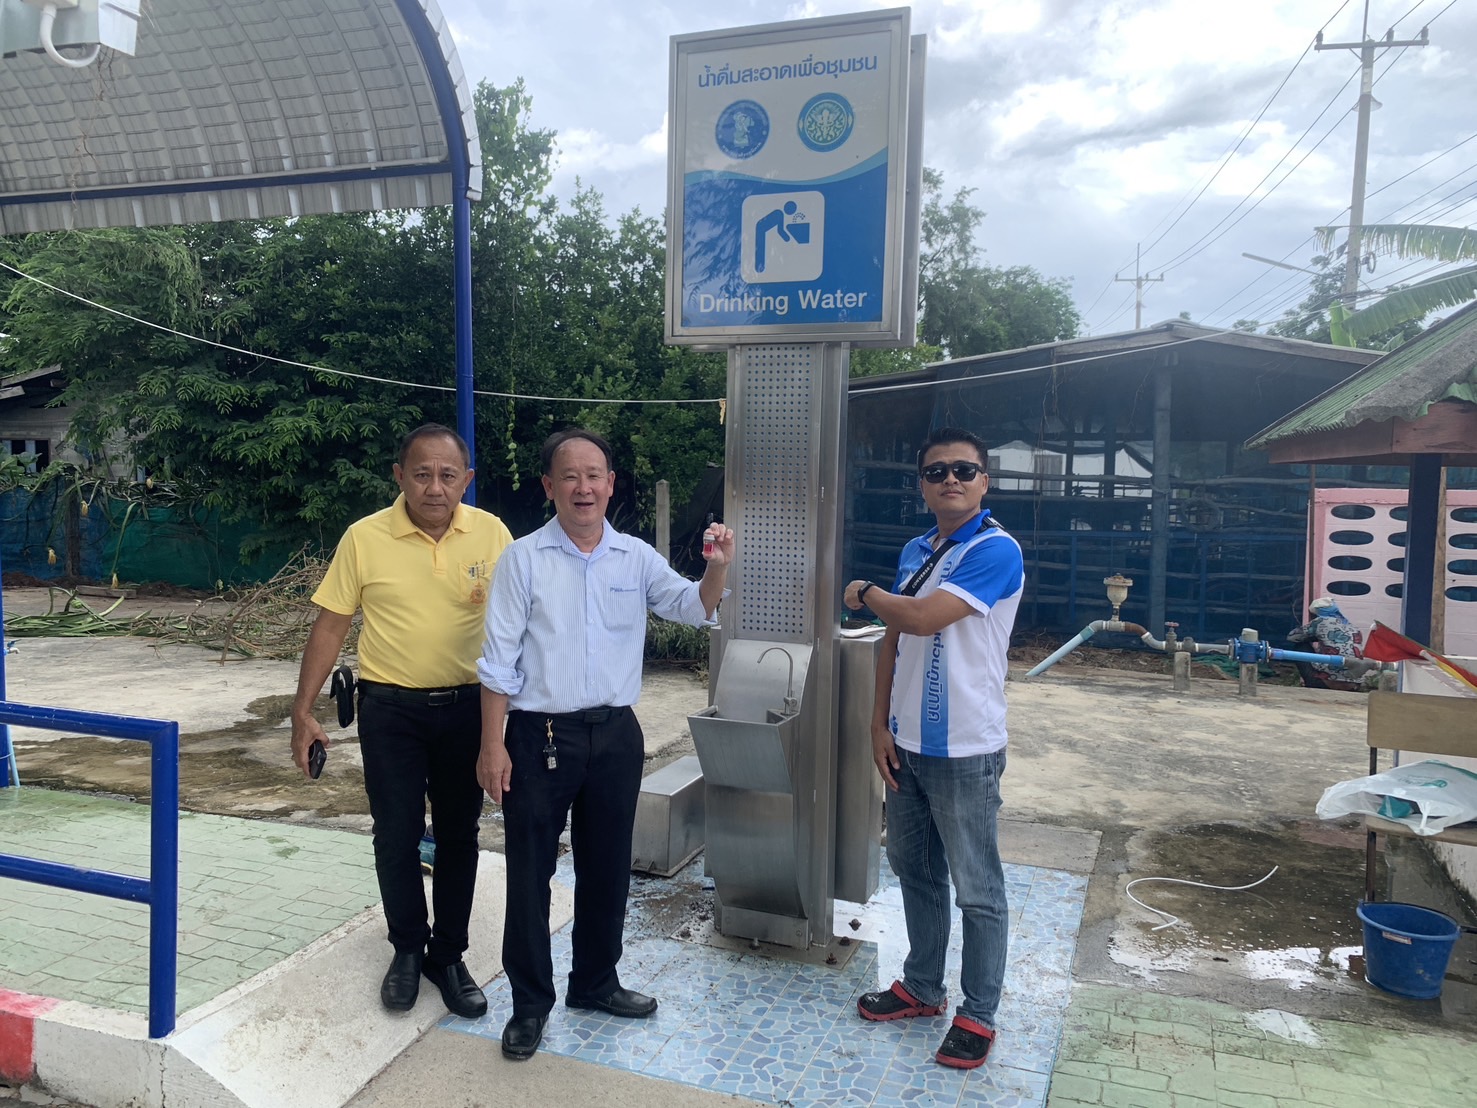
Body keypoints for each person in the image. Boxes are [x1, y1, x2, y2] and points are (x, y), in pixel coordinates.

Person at [476, 428, 733, 1061]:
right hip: (539, 736)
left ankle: (594, 981)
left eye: (594, 475)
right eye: (570, 476)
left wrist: (717, 566)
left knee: (608, 867)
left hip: (616, 735)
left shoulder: (634, 557)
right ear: (549, 486)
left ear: (611, 484)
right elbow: (498, 661)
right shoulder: (523, 560)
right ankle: (530, 1005)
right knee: (530, 873)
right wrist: (492, 744)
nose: (583, 487)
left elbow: (692, 607)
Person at [290, 423, 513, 1019]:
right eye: (422, 474)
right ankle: (408, 949)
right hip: (390, 710)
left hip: (468, 709)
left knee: (460, 835)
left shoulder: (492, 534)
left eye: (447, 475)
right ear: (399, 476)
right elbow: (332, 624)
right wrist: (302, 710)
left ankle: (449, 955)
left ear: (466, 479)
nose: (435, 487)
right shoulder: (365, 538)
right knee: (395, 833)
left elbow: (523, 618)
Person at [842, 426, 1024, 1071]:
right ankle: (922, 987)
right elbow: (895, 638)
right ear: (922, 484)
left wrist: (863, 593)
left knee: (977, 887)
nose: (950, 479)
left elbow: (920, 617)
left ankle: (979, 1013)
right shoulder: (919, 549)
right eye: (936, 471)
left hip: (966, 749)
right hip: (906, 743)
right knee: (915, 871)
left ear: (985, 481)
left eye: (963, 470)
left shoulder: (995, 549)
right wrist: (877, 724)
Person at [1288, 596, 1365, 690]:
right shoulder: (1353, 627)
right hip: (1354, 685)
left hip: (1326, 683)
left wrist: (1312, 637)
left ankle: (1312, 683)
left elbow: (1292, 637)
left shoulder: (1320, 621)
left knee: (1301, 646)